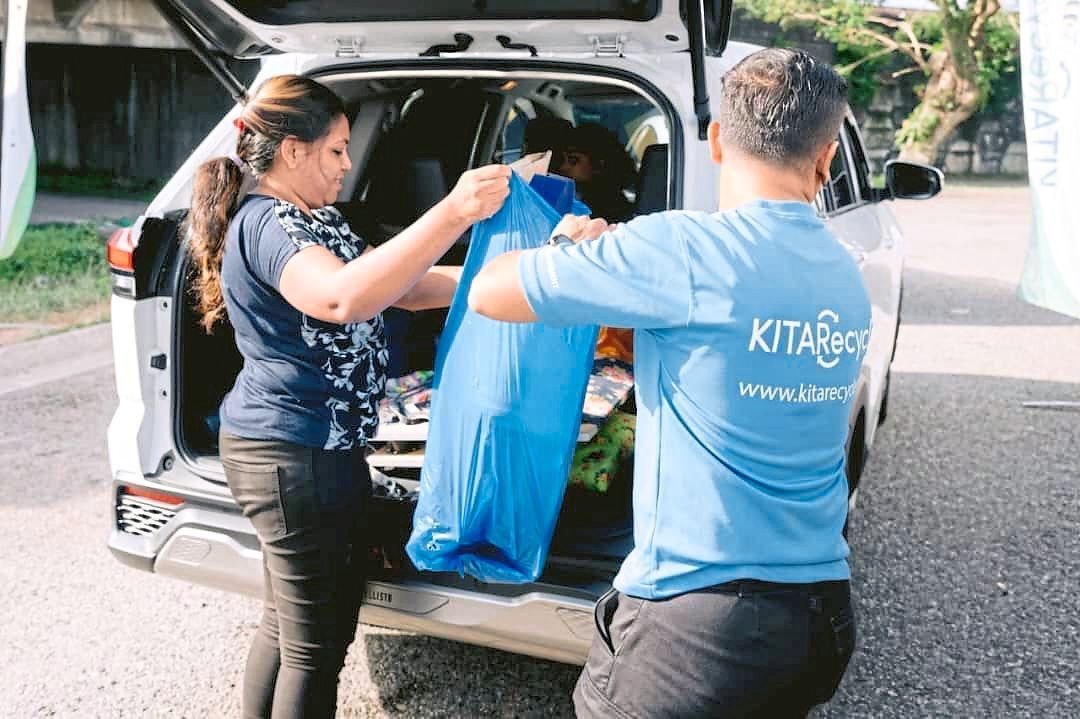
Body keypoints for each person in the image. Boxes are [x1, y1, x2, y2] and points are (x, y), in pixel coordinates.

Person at [468, 48, 870, 717]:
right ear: (827, 158)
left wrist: (569, 243)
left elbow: (490, 292)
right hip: (819, 613)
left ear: (715, 141)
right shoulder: (844, 270)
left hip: (696, 628)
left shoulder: (683, 248)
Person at [186, 74, 509, 719]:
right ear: (293, 151)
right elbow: (339, 299)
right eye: (336, 149)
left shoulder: (316, 220)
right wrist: (452, 210)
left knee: (287, 628)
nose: (347, 163)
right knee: (316, 644)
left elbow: (405, 288)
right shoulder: (271, 224)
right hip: (289, 454)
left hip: (307, 449)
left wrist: (523, 270)